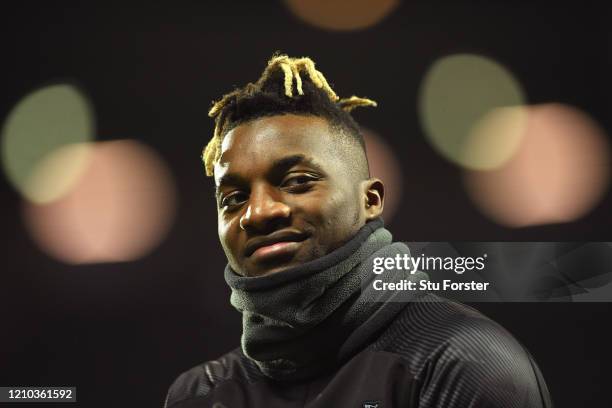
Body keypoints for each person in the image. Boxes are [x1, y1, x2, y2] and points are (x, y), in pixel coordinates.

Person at [164, 54, 552, 408]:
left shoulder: (464, 363)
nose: (259, 212)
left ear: (370, 201)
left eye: (298, 181)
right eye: (233, 198)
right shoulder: (199, 394)